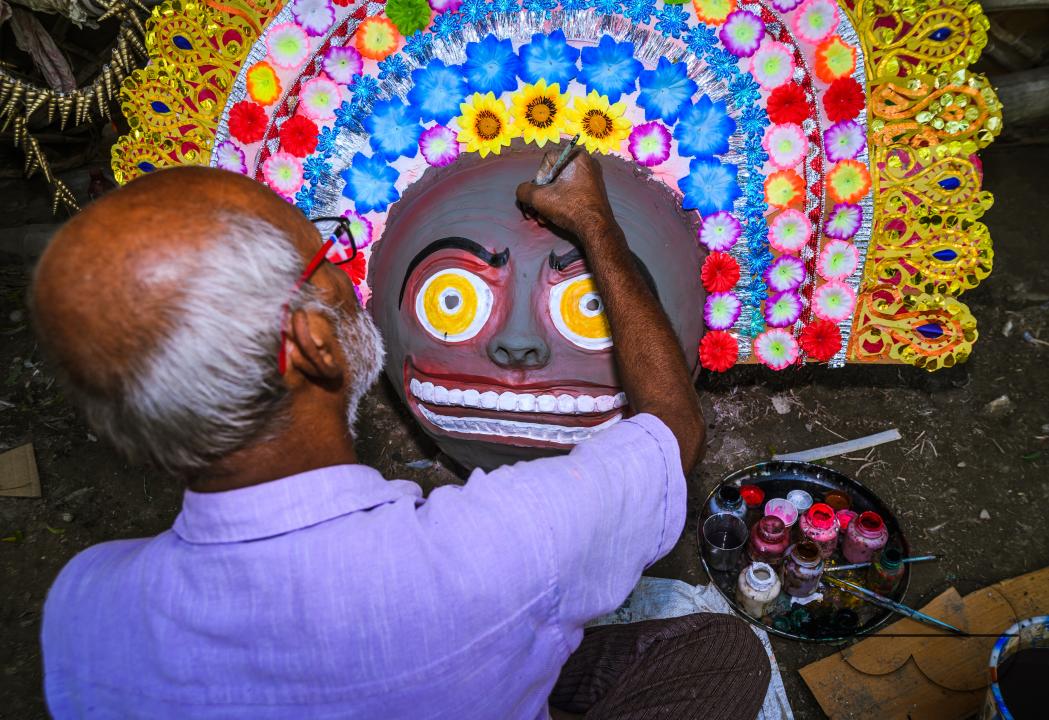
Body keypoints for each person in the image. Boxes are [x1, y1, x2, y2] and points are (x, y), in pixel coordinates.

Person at [33, 156, 770, 718]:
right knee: (723, 655)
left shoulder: (80, 609)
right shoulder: (506, 549)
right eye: (324, 258)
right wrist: (598, 227)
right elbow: (670, 432)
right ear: (315, 343)